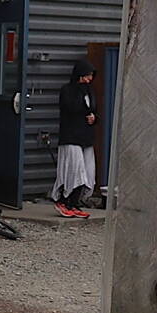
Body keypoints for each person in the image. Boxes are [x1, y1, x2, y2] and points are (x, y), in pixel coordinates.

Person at [53, 59, 100, 218]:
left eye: (90, 76)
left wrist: (94, 118)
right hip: (71, 136)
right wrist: (79, 90)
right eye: (86, 76)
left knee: (87, 171)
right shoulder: (68, 90)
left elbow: (92, 110)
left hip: (85, 137)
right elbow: (71, 107)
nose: (89, 79)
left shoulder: (90, 91)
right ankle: (64, 200)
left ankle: (75, 202)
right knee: (75, 169)